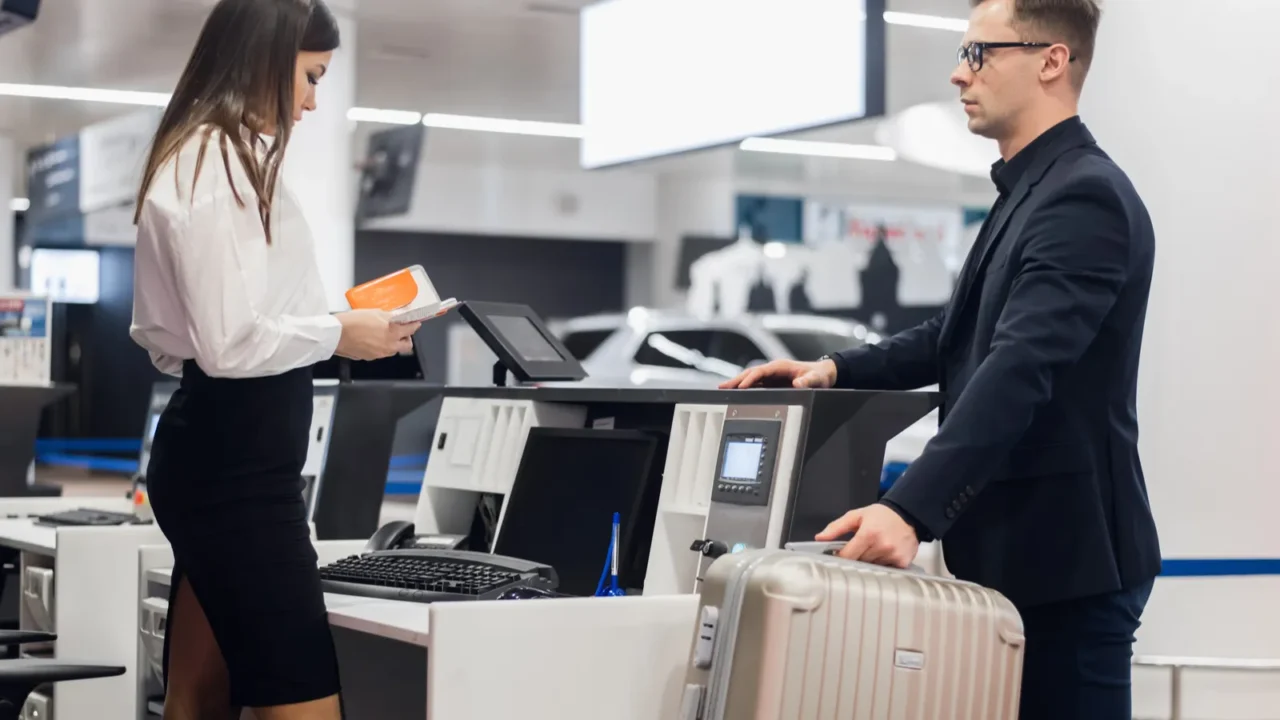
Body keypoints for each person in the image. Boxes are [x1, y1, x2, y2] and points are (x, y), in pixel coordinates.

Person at [720, 0, 1161, 717]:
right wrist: (833, 370)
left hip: (1068, 562)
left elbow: (1020, 369)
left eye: (980, 53)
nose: (960, 74)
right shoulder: (1031, 190)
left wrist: (910, 510)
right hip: (1022, 556)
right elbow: (958, 334)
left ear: (1052, 59)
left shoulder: (1084, 196)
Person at [129, 1, 420, 718]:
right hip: (238, 478)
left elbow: (172, 341)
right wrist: (336, 333)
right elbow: (229, 345)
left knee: (200, 695)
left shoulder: (209, 154)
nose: (314, 101)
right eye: (311, 77)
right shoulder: (214, 161)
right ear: (268, 54)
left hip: (223, 458)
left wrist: (320, 329)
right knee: (302, 698)